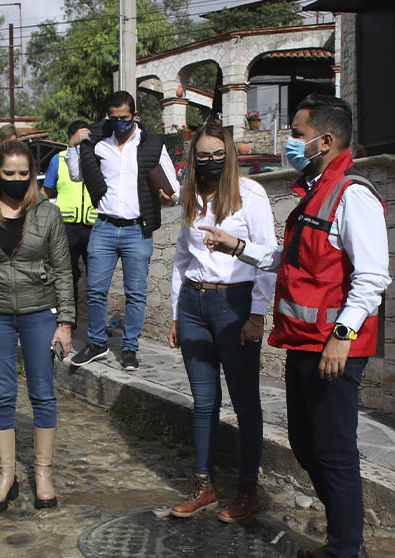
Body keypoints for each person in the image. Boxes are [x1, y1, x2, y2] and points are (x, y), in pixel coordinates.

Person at [205, 95, 390, 558]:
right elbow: (292, 261)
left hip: (332, 348)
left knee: (333, 452)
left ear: (325, 141)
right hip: (303, 344)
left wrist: (343, 336)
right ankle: (346, 546)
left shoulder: (353, 195)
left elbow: (372, 276)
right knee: (309, 448)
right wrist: (237, 247)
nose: (291, 139)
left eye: (297, 130)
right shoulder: (317, 193)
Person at [167, 118, 276, 524]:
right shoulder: (192, 195)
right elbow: (182, 257)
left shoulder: (251, 194)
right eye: (203, 155)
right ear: (193, 159)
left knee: (245, 403)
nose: (211, 161)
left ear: (229, 155)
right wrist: (178, 310)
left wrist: (256, 315)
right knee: (204, 401)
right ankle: (203, 484)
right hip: (194, 304)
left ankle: (249, 489)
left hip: (236, 303)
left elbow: (268, 259)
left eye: (218, 154)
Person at [0, 140, 74, 512]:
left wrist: (66, 321)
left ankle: (43, 475)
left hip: (40, 313)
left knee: (43, 393)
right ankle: (6, 476)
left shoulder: (48, 214)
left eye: (24, 174)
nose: (17, 180)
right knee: (2, 395)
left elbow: (63, 271)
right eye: (9, 174)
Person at [66, 91, 179, 371]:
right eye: (113, 118)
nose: (119, 123)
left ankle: (129, 348)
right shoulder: (97, 141)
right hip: (104, 225)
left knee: (136, 293)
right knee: (95, 290)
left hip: (137, 229)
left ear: (135, 116)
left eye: (124, 119)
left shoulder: (152, 143)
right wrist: (72, 146)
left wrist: (170, 196)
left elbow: (173, 187)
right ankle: (96, 343)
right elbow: (76, 175)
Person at [42, 119, 96, 300]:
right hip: (66, 227)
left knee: (96, 280)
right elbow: (45, 191)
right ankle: (67, 322)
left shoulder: (97, 158)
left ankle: (94, 324)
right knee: (67, 276)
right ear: (72, 137)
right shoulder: (59, 159)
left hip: (93, 226)